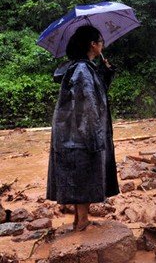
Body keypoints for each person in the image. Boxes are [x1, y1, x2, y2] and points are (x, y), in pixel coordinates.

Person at [46, 25, 119, 231]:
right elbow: (87, 104)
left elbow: (96, 93)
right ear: (93, 45)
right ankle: (82, 220)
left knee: (79, 173)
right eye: (100, 41)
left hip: (72, 131)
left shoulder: (81, 68)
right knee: (84, 171)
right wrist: (93, 135)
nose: (103, 45)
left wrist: (105, 73)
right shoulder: (83, 70)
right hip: (80, 131)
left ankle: (79, 220)